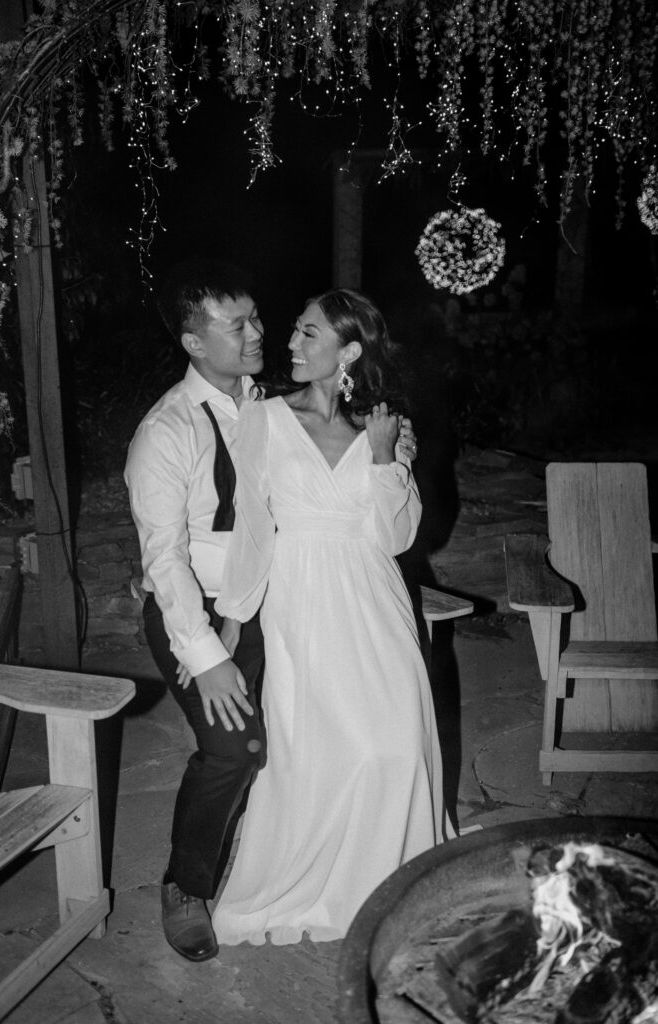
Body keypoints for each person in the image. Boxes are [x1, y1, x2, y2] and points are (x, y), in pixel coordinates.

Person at [210, 287, 455, 947]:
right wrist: (234, 616)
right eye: (294, 331)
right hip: (302, 598)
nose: (290, 344)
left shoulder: (386, 426)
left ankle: (387, 878)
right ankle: (309, 880)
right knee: (314, 748)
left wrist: (382, 458)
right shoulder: (260, 418)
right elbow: (255, 527)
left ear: (349, 350)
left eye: (308, 334)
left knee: (397, 742)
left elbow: (397, 538)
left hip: (374, 596)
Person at [123, 258, 268, 962]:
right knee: (231, 748)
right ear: (192, 341)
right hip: (197, 611)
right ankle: (186, 884)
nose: (256, 332)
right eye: (236, 325)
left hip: (274, 598)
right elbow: (165, 560)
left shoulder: (269, 405)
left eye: (255, 317)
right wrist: (204, 656)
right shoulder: (165, 431)